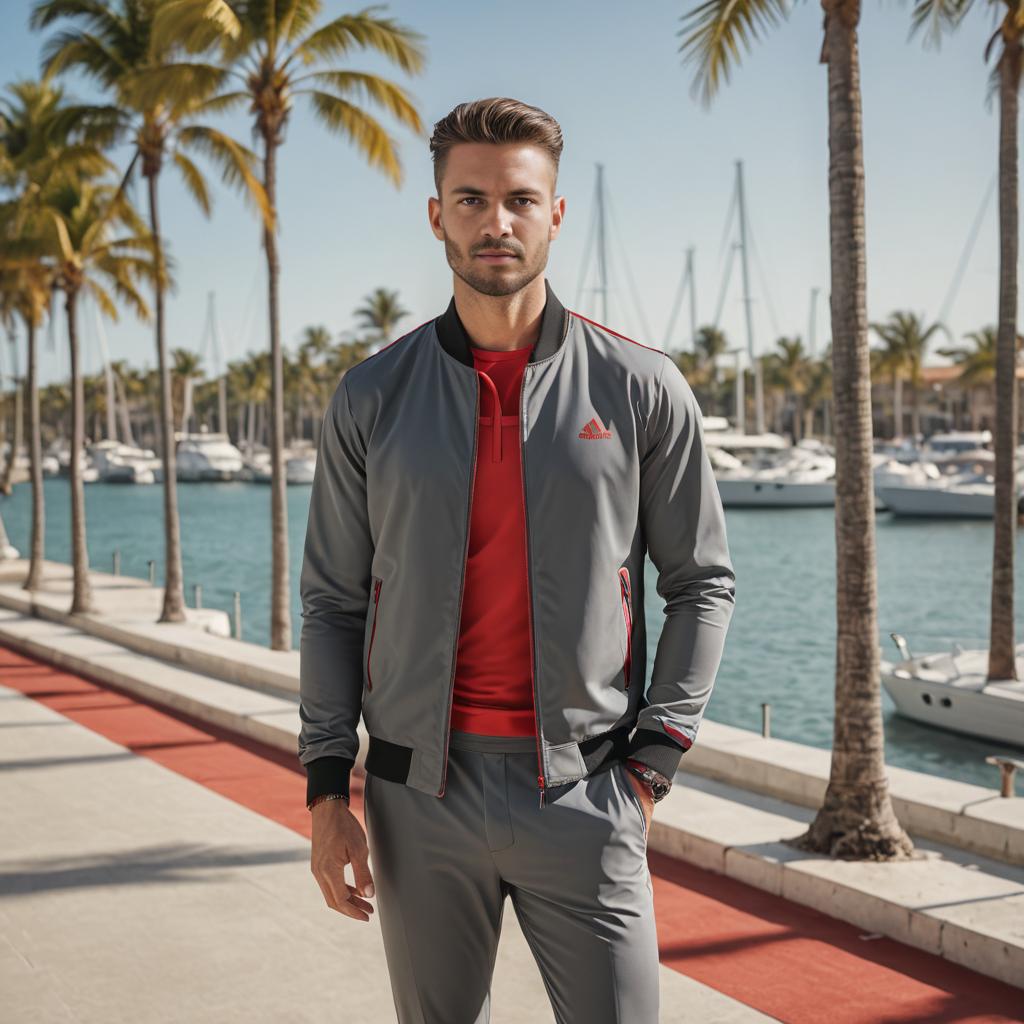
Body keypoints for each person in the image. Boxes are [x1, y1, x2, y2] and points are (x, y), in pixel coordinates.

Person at [297, 96, 736, 1024]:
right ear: (436, 215)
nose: (496, 222)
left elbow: (701, 581)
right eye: (470, 200)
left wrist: (651, 767)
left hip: (588, 788)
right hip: (418, 799)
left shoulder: (640, 386)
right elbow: (334, 602)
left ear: (555, 213)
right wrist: (327, 791)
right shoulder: (373, 395)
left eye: (520, 200)